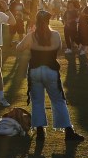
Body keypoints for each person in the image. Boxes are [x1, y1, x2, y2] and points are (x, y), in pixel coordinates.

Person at [15, 10, 84, 141]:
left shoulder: (31, 36)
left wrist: (29, 36)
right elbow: (59, 48)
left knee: (37, 102)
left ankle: (40, 130)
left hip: (35, 70)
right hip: (51, 70)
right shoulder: (55, 35)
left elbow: (19, 48)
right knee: (58, 101)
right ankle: (68, 130)